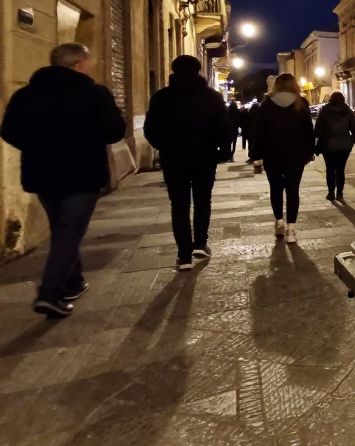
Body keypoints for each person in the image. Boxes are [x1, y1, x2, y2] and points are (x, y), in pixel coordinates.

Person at [0, 43, 125, 316]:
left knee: (63, 228)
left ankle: (74, 281)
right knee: (69, 230)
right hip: (83, 174)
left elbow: (9, 131)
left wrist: (37, 148)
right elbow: (115, 131)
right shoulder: (94, 94)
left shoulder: (26, 95)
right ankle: (49, 292)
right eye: (88, 62)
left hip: (41, 173)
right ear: (79, 63)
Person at [144, 55, 231, 269]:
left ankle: (184, 255)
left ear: (173, 70)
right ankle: (200, 243)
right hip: (205, 157)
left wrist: (163, 146)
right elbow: (224, 127)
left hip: (174, 159)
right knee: (203, 200)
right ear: (198, 70)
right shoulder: (211, 97)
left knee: (179, 205)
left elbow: (150, 129)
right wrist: (221, 151)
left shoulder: (161, 97)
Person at [249, 74, 315, 243]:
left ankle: (279, 221)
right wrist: (309, 151)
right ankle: (291, 230)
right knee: (293, 190)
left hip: (272, 154)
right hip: (296, 154)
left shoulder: (267, 104)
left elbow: (258, 132)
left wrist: (256, 156)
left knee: (276, 189)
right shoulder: (301, 103)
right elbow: (308, 130)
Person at [313, 91, 355, 201]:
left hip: (328, 146)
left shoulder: (324, 111)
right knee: (340, 169)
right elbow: (354, 128)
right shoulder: (347, 111)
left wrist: (315, 143)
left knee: (330, 169)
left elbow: (318, 130)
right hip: (344, 146)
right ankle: (340, 193)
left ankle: (330, 193)